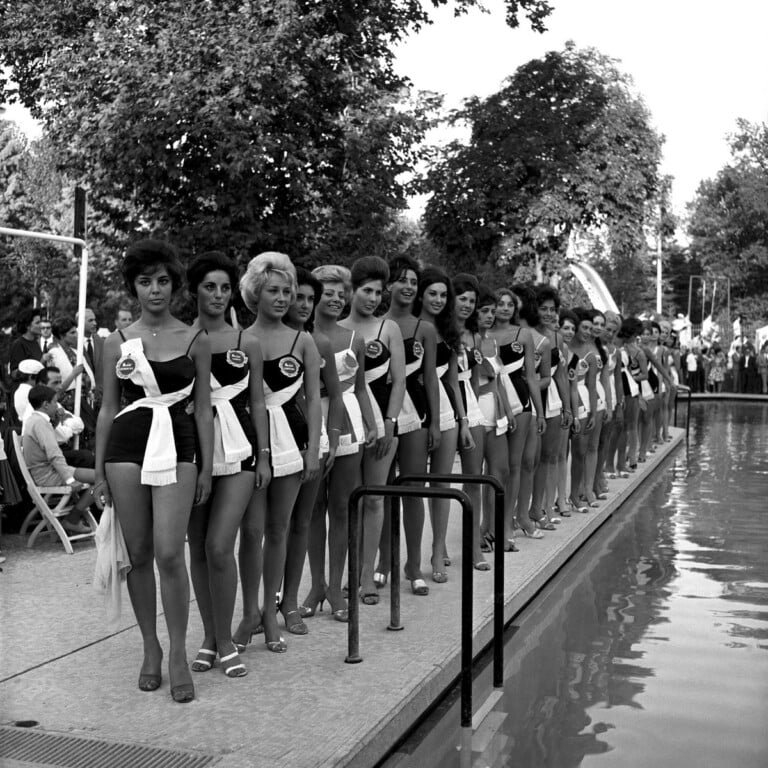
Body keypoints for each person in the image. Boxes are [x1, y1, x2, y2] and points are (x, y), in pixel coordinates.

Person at [95, 239, 213, 703]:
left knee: (169, 552)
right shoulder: (116, 343)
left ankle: (180, 653)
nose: (155, 290)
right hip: (126, 447)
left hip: (179, 444)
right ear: (133, 288)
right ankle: (151, 647)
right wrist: (100, 471)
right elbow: (107, 408)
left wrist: (203, 466)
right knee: (139, 552)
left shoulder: (195, 338)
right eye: (145, 282)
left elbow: (203, 410)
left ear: (175, 286)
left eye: (163, 281)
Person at [186, 251, 270, 680]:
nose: (218, 295)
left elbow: (257, 401)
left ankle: (223, 640)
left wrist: (266, 455)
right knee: (197, 548)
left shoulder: (246, 342)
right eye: (209, 287)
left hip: (240, 450)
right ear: (194, 291)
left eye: (224, 287)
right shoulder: (180, 339)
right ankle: (210, 636)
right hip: (191, 451)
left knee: (221, 545)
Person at [235, 252, 321, 654]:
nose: (284, 297)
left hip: (291, 441)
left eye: (288, 290)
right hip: (248, 441)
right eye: (274, 290)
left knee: (279, 529)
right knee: (250, 532)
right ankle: (250, 610)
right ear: (255, 293)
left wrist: (315, 449)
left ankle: (273, 612)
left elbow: (315, 400)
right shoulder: (240, 338)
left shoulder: (302, 339)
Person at [301, 265, 376, 620]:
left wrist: (373, 423)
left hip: (349, 425)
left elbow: (360, 387)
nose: (335, 299)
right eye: (327, 292)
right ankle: (315, 584)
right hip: (310, 422)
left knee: (342, 507)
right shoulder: (301, 336)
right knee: (312, 508)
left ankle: (335, 585)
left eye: (339, 293)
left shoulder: (353, 338)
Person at [340, 256, 405, 604]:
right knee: (351, 499)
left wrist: (390, 423)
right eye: (367, 290)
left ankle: (367, 576)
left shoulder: (388, 329)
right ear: (352, 290)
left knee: (376, 497)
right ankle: (347, 572)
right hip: (349, 421)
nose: (373, 298)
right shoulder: (336, 328)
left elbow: (398, 381)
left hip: (382, 421)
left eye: (379, 292)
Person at [374, 256, 441, 588]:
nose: (409, 287)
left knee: (414, 489)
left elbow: (431, 380)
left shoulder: (424, 329)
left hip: (417, 415)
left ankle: (413, 566)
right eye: (402, 280)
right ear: (388, 286)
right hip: (381, 414)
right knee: (383, 490)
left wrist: (437, 425)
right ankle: (383, 561)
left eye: (414, 282)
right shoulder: (375, 325)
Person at [279, 267, 337, 632]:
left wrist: (326, 440)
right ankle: (266, 602)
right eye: (297, 296)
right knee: (269, 529)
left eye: (309, 299)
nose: (302, 304)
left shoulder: (319, 344)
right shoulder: (260, 341)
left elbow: (332, 396)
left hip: (309, 442)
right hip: (271, 443)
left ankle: (290, 603)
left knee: (301, 522)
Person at [415, 267, 473, 581]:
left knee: (441, 483)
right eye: (432, 293)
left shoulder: (450, 332)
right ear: (421, 295)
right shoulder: (407, 328)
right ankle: (389, 559)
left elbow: (452, 380)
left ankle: (438, 548)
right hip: (414, 406)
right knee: (411, 484)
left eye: (442, 294)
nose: (438, 299)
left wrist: (463, 420)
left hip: (446, 409)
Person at [490, 287, 545, 542]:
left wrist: (540, 413)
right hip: (492, 401)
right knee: (494, 466)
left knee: (515, 465)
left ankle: (508, 522)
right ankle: (490, 521)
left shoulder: (523, 335)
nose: (504, 308)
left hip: (521, 403)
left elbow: (532, 377)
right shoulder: (483, 334)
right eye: (499, 304)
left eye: (509, 304)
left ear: (515, 309)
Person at [22, 385, 101, 533]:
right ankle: (72, 519)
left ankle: (73, 519)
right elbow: (53, 453)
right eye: (55, 402)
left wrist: (56, 421)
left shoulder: (36, 420)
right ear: (46, 404)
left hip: (48, 471)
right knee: (101, 479)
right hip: (48, 475)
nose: (57, 406)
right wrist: (70, 480)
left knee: (100, 477)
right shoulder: (39, 423)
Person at [9, 308, 43, 373]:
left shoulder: (35, 342)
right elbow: (14, 373)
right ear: (28, 326)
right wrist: (42, 361)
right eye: (37, 323)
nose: (41, 326)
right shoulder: (19, 344)